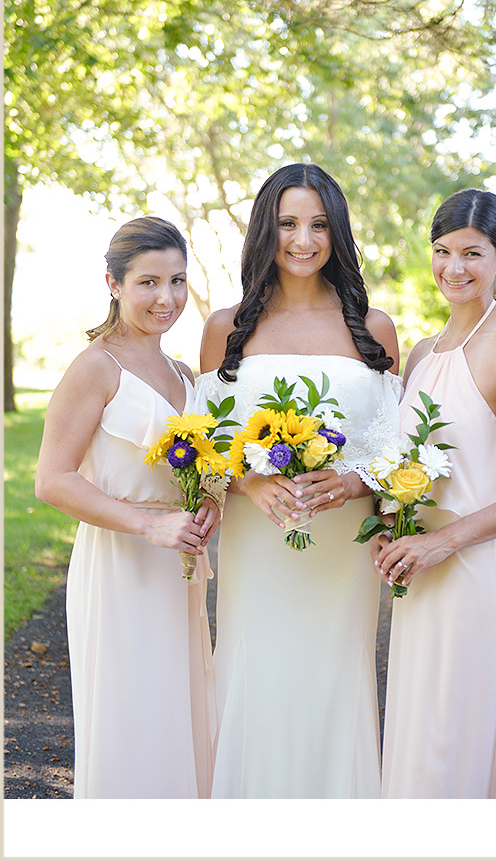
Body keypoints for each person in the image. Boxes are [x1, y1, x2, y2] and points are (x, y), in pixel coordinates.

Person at [196, 163, 401, 797]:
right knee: (256, 669)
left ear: (338, 231)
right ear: (267, 230)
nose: (303, 240)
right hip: (259, 539)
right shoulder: (225, 327)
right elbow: (205, 445)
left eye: (319, 224)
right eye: (288, 224)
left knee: (335, 676)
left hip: (341, 546)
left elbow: (395, 448)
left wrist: (354, 483)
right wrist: (249, 485)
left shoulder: (375, 328)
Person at [374, 189, 496, 798]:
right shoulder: (422, 353)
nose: (453, 268)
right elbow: (406, 460)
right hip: (418, 572)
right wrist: (391, 526)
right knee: (420, 734)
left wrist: (445, 541)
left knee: (455, 739)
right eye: (442, 251)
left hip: (475, 568)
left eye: (472, 253)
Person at [34, 217, 217, 797]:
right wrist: (147, 524)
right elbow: (52, 480)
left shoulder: (183, 373)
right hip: (119, 565)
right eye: (148, 282)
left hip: (178, 567)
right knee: (131, 716)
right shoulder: (96, 367)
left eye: (177, 281)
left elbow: (194, 469)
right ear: (113, 284)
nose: (167, 298)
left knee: (178, 710)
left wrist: (209, 504)